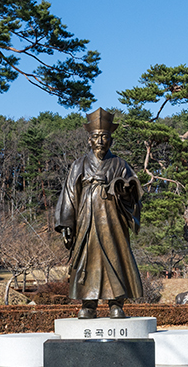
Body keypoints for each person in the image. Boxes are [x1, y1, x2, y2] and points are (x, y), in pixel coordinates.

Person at [54, 108, 144, 319]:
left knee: (116, 257)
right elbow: (69, 193)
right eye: (96, 136)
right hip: (86, 219)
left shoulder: (120, 165)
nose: (100, 140)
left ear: (111, 140)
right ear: (89, 140)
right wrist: (66, 223)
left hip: (113, 221)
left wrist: (121, 188)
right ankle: (88, 304)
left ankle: (116, 303)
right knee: (86, 259)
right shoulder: (79, 164)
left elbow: (134, 193)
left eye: (105, 136)